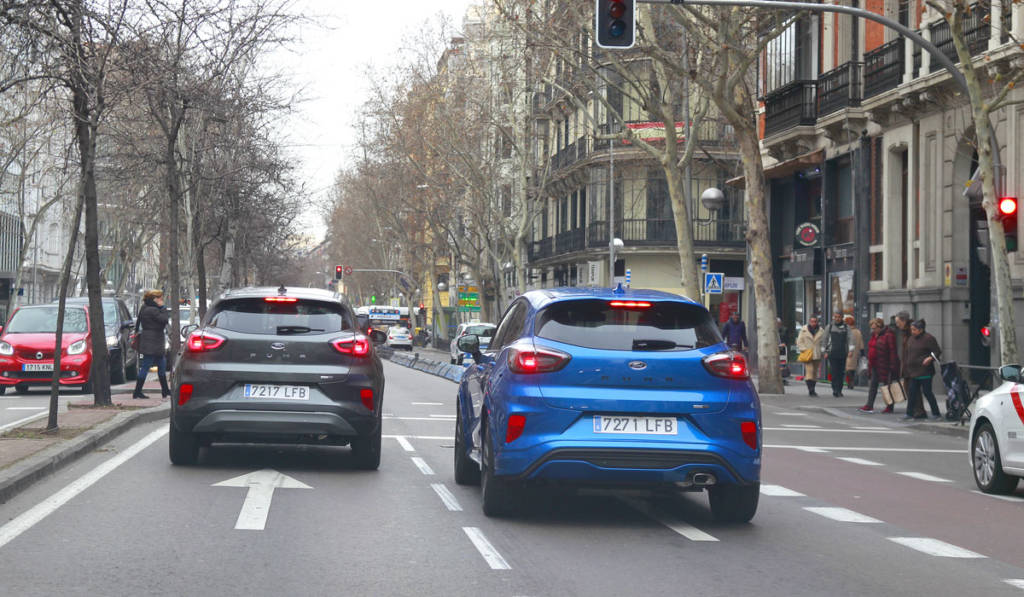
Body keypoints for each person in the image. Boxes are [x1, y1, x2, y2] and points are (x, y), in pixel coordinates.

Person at [132, 289, 172, 400]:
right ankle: (137, 391)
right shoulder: (153, 310)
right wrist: (163, 308)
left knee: (161, 364)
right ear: (154, 299)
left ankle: (165, 390)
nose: (161, 300)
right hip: (153, 341)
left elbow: (138, 323)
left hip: (150, 340)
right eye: (160, 298)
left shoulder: (144, 308)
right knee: (146, 366)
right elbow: (164, 319)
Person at [903, 319, 943, 420]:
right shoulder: (911, 339)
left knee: (927, 392)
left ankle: (936, 413)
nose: (912, 332)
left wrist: (930, 358)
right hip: (913, 371)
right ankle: (909, 413)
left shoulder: (928, 338)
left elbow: (937, 351)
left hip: (925, 371)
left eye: (914, 330)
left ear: (921, 330)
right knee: (912, 392)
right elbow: (908, 353)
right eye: (911, 329)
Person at [859, 318, 900, 413]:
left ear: (880, 327)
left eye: (874, 328)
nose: (873, 330)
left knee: (887, 386)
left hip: (885, 364)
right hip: (875, 364)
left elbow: (892, 351)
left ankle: (889, 406)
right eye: (872, 328)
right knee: (873, 385)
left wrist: (893, 365)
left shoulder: (888, 335)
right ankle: (869, 405)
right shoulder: (874, 335)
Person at [822, 311, 850, 397]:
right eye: (836, 317)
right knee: (834, 372)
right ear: (834, 317)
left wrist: (851, 350)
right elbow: (825, 339)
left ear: (842, 318)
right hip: (832, 352)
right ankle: (835, 389)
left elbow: (850, 338)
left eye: (839, 317)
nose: (837, 318)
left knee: (841, 372)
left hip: (842, 352)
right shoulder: (829, 327)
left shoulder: (846, 327)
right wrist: (825, 351)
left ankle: (839, 389)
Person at [796, 316, 825, 396]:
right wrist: (803, 349)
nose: (813, 323)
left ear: (817, 322)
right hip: (807, 354)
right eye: (812, 321)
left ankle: (813, 388)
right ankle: (811, 390)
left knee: (815, 372)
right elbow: (799, 341)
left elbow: (824, 342)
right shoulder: (804, 330)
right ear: (809, 321)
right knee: (810, 371)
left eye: (815, 321)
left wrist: (823, 350)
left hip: (817, 353)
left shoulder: (821, 330)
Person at [844, 315, 864, 390]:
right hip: (856, 352)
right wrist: (862, 352)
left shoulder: (848, 332)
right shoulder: (858, 331)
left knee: (848, 368)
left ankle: (850, 382)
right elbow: (861, 343)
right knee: (852, 368)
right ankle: (851, 382)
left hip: (849, 352)